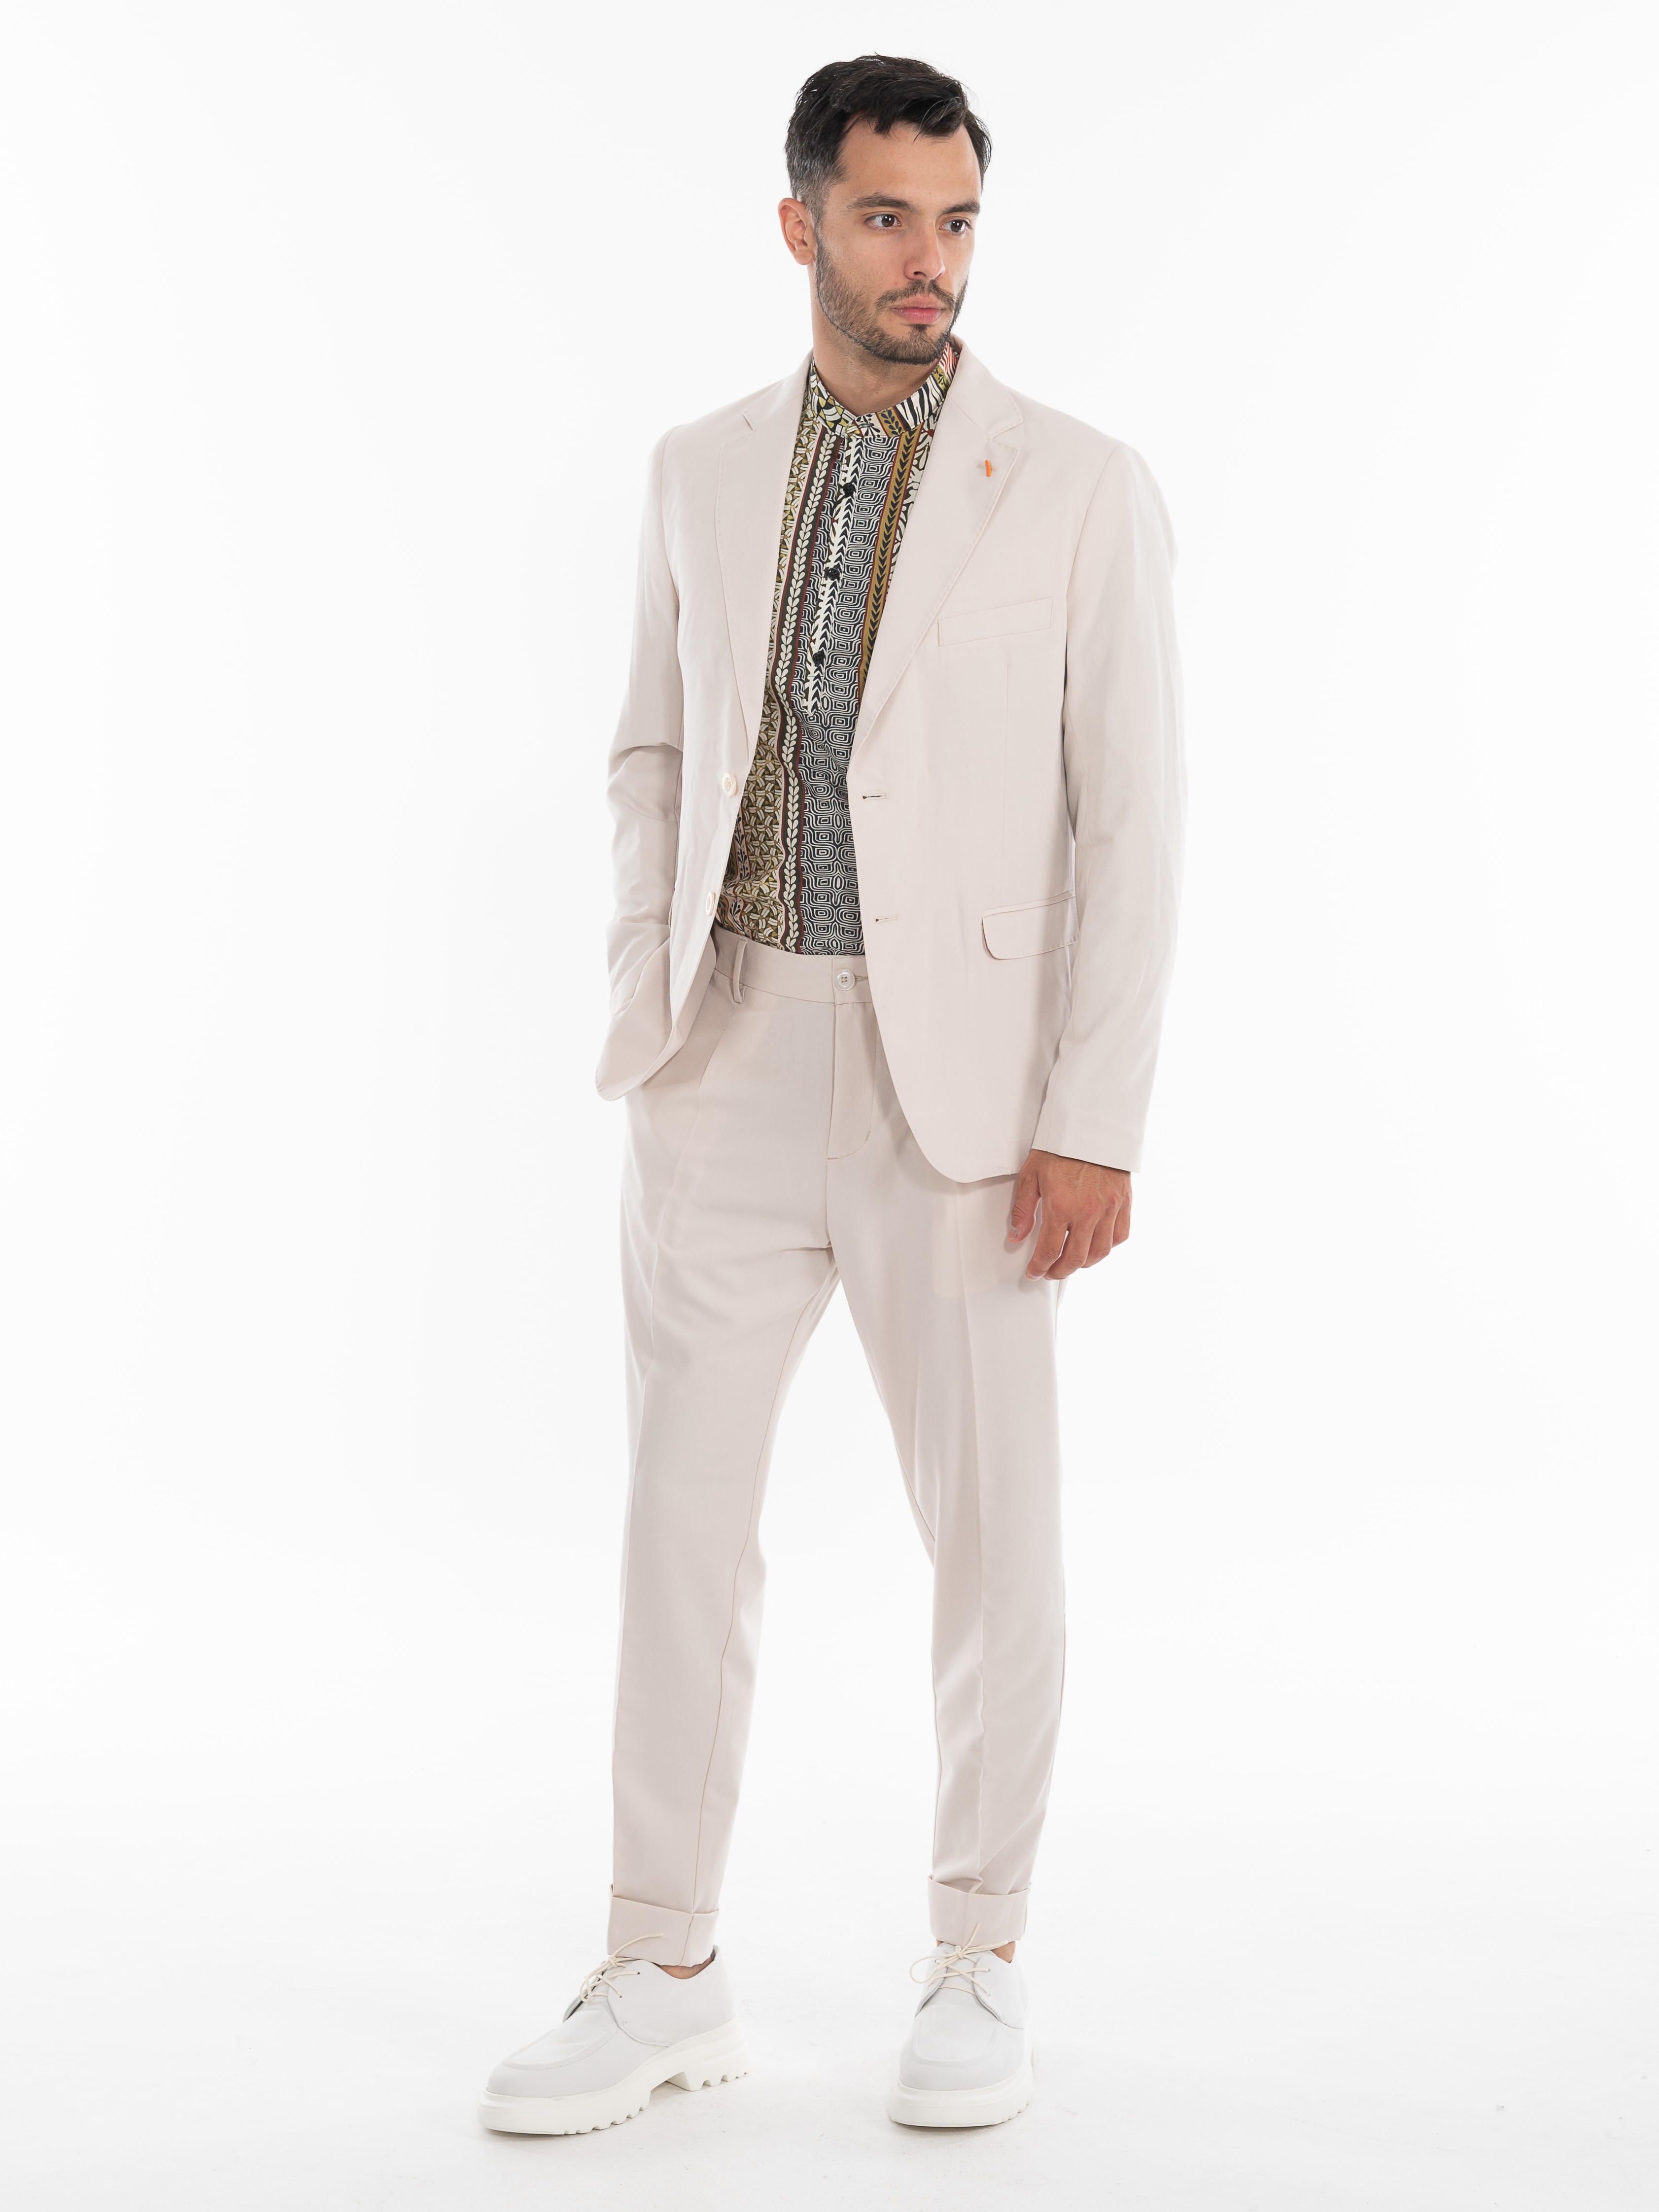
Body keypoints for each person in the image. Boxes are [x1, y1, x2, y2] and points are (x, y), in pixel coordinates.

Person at [479, 52, 1184, 2138]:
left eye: (954, 221)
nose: (925, 261)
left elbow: (1136, 823)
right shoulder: (694, 468)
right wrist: (650, 981)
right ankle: (662, 1965)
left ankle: (978, 1953)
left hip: (960, 1095)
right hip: (718, 1058)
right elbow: (645, 747)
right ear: (801, 225)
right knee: (679, 1526)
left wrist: (1095, 1115)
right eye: (885, 218)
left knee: (993, 1539)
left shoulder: (1080, 484)